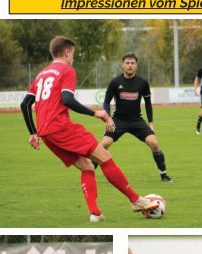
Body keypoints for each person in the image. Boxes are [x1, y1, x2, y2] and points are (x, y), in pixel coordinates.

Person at [20, 35, 158, 223]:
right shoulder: (66, 70)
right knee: (105, 158)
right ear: (67, 52)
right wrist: (97, 114)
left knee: (86, 166)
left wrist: (32, 132)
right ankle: (136, 200)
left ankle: (95, 213)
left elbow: (25, 104)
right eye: (73, 54)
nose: (73, 58)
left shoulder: (41, 74)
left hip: (46, 134)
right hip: (61, 127)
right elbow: (67, 100)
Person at [100, 52, 173, 183]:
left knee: (154, 143)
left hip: (136, 121)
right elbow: (106, 102)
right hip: (118, 120)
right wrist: (108, 119)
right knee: (104, 144)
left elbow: (148, 104)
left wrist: (150, 123)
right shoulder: (115, 82)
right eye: (127, 63)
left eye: (132, 63)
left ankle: (164, 175)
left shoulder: (143, 83)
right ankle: (88, 172)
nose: (130, 66)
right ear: (122, 65)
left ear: (136, 65)